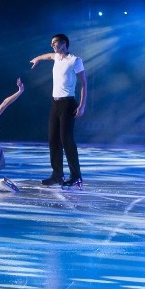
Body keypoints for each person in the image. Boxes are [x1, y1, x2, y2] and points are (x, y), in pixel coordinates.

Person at [30, 33, 87, 188]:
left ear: (64, 43)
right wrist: (37, 59)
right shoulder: (56, 57)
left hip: (68, 104)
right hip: (55, 104)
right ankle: (57, 175)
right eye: (52, 43)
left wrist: (81, 105)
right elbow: (48, 56)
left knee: (66, 139)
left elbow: (84, 84)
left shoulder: (75, 60)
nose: (52, 45)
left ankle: (76, 176)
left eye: (55, 42)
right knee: (53, 139)